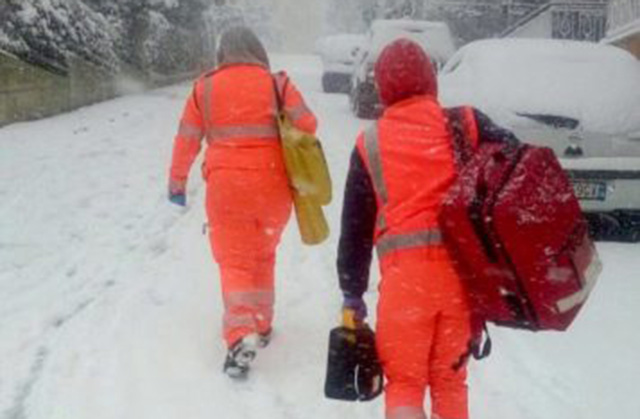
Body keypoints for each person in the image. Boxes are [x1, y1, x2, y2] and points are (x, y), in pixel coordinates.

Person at [336, 39, 518, 419]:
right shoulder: (466, 123)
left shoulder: (369, 143)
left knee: (404, 383)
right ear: (431, 79)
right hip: (459, 282)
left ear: (383, 87)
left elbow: (354, 229)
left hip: (405, 289)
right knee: (451, 382)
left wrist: (352, 293)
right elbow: (517, 167)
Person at [167, 26, 317, 378]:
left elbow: (187, 137)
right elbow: (308, 124)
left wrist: (177, 181)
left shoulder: (204, 88)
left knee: (234, 261)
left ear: (222, 54)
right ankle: (262, 324)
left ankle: (239, 336)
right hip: (273, 186)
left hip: (227, 187)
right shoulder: (277, 84)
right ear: (258, 51)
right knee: (263, 253)